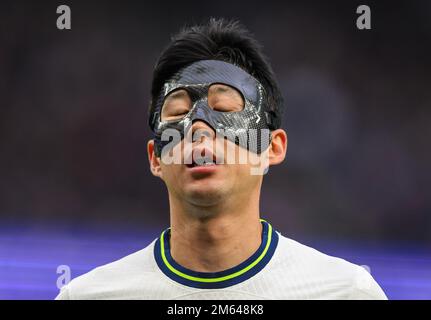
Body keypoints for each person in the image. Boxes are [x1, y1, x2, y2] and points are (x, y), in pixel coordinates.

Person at [56, 18, 387, 300]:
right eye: (178, 112)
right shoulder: (90, 295)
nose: (199, 128)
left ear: (272, 148)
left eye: (225, 110)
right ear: (155, 157)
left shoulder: (345, 293)